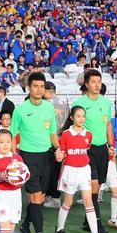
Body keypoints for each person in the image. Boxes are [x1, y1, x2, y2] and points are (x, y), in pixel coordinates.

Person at [10, 72, 59, 233]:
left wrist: (58, 148)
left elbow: (53, 133)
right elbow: (12, 134)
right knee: (36, 198)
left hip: (46, 157)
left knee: (40, 198)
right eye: (35, 86)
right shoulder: (20, 110)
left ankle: (25, 225)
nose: (39, 90)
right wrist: (14, 157)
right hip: (28, 157)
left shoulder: (49, 108)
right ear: (29, 88)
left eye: (42, 86)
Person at [53, 106, 108, 233]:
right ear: (72, 117)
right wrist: (59, 156)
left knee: (88, 202)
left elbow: (85, 152)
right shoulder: (66, 134)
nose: (81, 119)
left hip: (84, 171)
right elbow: (61, 153)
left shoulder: (89, 134)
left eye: (83, 116)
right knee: (68, 202)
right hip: (70, 171)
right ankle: (59, 230)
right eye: (78, 116)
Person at [72, 69, 116, 233]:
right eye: (93, 82)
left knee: (97, 188)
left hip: (102, 149)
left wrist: (110, 145)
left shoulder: (106, 103)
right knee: (94, 186)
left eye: (99, 81)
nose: (97, 85)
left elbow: (108, 125)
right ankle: (97, 226)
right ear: (86, 84)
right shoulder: (79, 103)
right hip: (87, 150)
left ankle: (87, 221)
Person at [43, 81, 69, 209]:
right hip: (61, 138)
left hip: (49, 140)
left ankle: (51, 196)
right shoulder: (64, 103)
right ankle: (55, 196)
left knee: (49, 169)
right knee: (58, 170)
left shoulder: (45, 104)